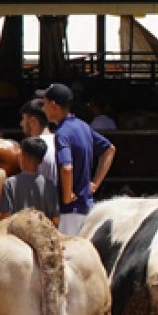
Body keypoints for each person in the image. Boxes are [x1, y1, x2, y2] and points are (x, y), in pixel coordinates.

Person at [43, 83, 115, 235]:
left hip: (70, 212)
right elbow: (109, 150)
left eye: (45, 104)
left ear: (53, 106)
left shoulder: (62, 133)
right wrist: (95, 183)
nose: (43, 109)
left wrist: (67, 195)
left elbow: (66, 167)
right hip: (87, 207)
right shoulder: (83, 126)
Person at [0, 136, 59, 225]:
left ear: (22, 157)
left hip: (16, 237)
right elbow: (56, 220)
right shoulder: (50, 185)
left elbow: (5, 218)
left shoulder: (10, 184)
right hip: (42, 236)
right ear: (41, 161)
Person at [18, 98, 59, 204]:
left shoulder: (30, 147)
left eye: (23, 119)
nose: (21, 123)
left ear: (33, 121)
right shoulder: (59, 141)